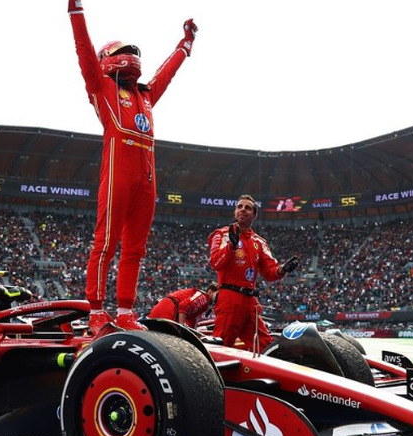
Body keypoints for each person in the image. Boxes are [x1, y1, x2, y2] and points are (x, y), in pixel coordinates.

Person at [68, 0, 198, 333]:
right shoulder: (101, 87)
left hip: (147, 181)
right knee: (106, 241)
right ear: (108, 59)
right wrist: (76, 11)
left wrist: (185, 45)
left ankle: (125, 311)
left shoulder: (146, 95)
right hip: (117, 177)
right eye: (124, 51)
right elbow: (83, 50)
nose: (132, 55)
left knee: (135, 249)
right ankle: (96, 311)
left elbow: (165, 74)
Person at [208, 195, 300, 351]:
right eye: (239, 206)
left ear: (254, 216)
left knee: (265, 346)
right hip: (230, 299)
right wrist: (231, 246)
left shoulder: (260, 242)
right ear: (235, 212)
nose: (242, 209)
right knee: (222, 346)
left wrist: (282, 269)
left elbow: (270, 272)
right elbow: (215, 263)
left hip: (251, 302)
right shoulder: (221, 234)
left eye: (248, 208)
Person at [147, 282, 219, 328]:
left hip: (166, 307)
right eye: (218, 294)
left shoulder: (203, 303)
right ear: (210, 292)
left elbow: (191, 321)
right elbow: (184, 305)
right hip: (169, 310)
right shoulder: (204, 297)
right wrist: (182, 327)